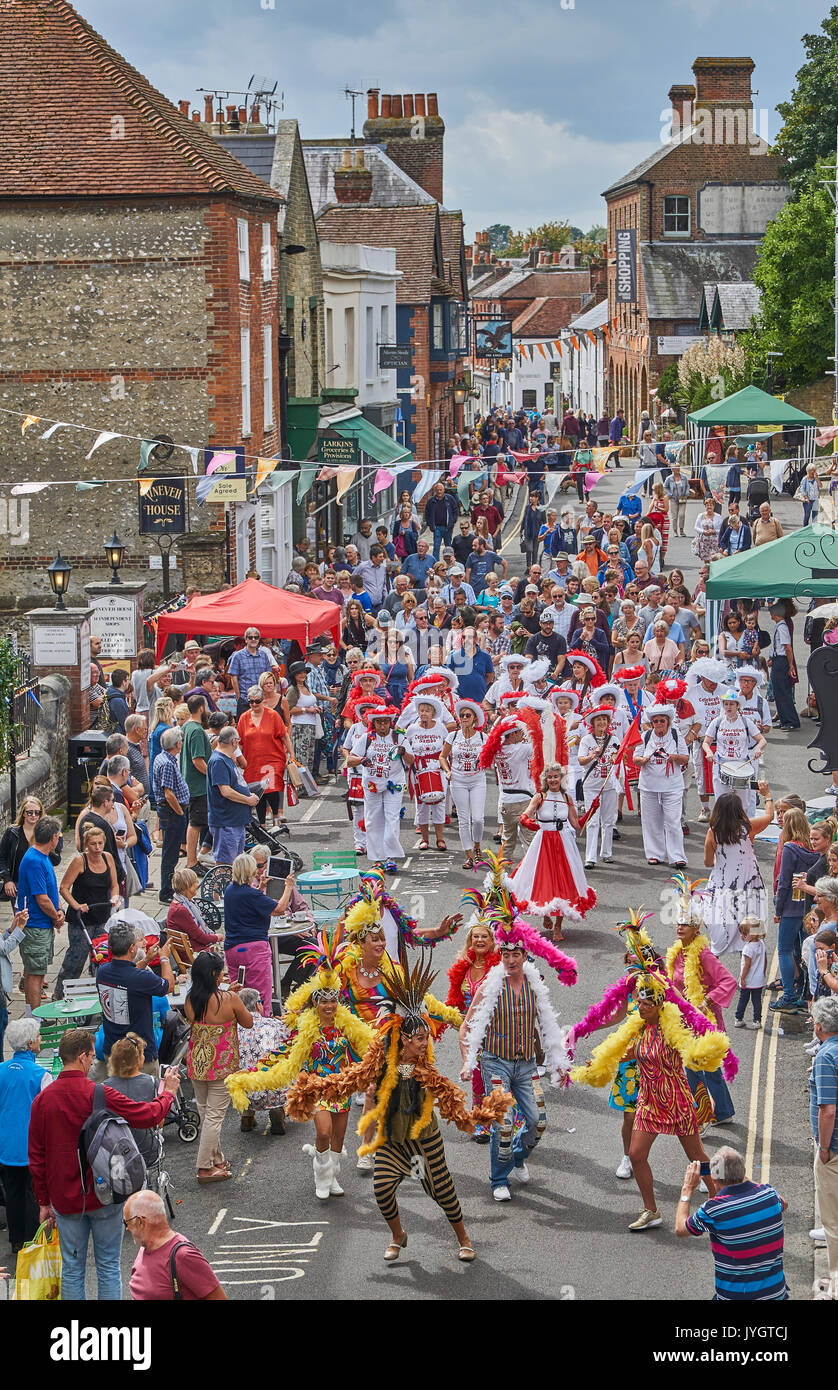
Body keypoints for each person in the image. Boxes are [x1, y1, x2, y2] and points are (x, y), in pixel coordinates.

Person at [290, 955, 504, 1261]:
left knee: (442, 1191)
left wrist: (478, 1116)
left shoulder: (426, 1070)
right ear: (403, 1039)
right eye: (419, 1038)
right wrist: (313, 1088)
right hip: (392, 1138)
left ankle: (464, 1239)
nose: (424, 1043)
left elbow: (451, 1103)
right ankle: (398, 1235)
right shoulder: (380, 1061)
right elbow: (348, 1081)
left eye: (426, 1038)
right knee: (382, 1189)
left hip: (424, 1139)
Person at [28, 1027, 179, 1301]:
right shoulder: (98, 1093)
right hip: (104, 1193)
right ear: (84, 1057)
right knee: (108, 1266)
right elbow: (147, 1115)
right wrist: (167, 1093)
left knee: (72, 1270)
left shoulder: (43, 1101)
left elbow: (37, 1157)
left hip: (64, 1197)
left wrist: (43, 1201)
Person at [572, 969, 725, 1231]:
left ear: (659, 1006)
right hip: (649, 1101)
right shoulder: (640, 1027)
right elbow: (630, 1052)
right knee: (635, 1154)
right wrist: (599, 1062)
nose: (640, 1008)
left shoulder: (675, 1029)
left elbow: (695, 1032)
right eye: (639, 1003)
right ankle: (651, 1211)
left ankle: (719, 1203)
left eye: (646, 1004)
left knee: (697, 1157)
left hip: (677, 1102)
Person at [227, 932, 374, 1199]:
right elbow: (281, 1055)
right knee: (324, 1131)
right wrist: (247, 1075)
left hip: (341, 1088)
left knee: (339, 1141)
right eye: (324, 1001)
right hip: (316, 1088)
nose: (329, 1006)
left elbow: (368, 1050)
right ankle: (321, 1176)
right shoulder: (305, 1029)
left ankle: (331, 1176)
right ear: (315, 1004)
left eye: (333, 1001)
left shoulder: (348, 1026)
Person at [462, 913, 574, 1202]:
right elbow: (467, 1025)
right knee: (504, 1123)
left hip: (525, 1066)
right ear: (501, 956)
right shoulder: (490, 986)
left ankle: (517, 1157)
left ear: (525, 955)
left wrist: (557, 1062)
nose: (511, 960)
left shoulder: (533, 985)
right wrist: (467, 1061)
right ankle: (499, 1179)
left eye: (516, 955)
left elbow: (547, 1025)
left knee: (538, 1122)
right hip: (495, 1062)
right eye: (507, 955)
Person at [666, 886, 738, 1125]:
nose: (679, 928)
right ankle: (712, 1111)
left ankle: (714, 1111)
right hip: (684, 1019)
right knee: (692, 1066)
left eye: (684, 925)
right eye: (678, 923)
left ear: (696, 929)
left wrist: (706, 1001)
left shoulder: (703, 954)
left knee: (706, 1067)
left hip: (704, 1019)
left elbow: (728, 980)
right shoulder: (677, 952)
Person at [676, 1146, 789, 1299]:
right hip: (775, 1293)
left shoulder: (714, 1210)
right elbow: (784, 1203)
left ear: (714, 1178)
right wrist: (741, 1176)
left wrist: (687, 1189)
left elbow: (681, 1229)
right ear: (743, 1171)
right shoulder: (769, 1194)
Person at [183, 951, 253, 1184]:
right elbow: (248, 1022)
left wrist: (228, 993)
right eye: (220, 971)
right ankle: (204, 1168)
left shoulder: (190, 1000)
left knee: (207, 1115)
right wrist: (234, 997)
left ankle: (217, 1160)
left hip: (197, 1064)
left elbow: (204, 1013)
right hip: (221, 1066)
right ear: (214, 975)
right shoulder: (229, 999)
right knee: (214, 1117)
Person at [512, 763, 594, 941]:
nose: (553, 780)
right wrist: (526, 821)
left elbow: (576, 824)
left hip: (564, 843)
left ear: (561, 778)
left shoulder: (567, 797)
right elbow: (525, 814)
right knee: (543, 879)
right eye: (549, 777)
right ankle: (545, 913)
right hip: (543, 842)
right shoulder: (540, 796)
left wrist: (591, 811)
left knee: (563, 883)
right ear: (545, 779)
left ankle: (558, 926)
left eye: (556, 776)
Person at [94, 918, 175, 1079]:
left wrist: (145, 961)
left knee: (117, 1100)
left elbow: (128, 977)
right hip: (140, 1055)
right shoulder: (141, 978)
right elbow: (169, 986)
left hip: (113, 1051)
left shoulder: (103, 971)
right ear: (132, 949)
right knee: (143, 1100)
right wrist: (164, 958)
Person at [447, 922, 502, 1143]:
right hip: (470, 1030)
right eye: (475, 937)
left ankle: (501, 1115)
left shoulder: (498, 967)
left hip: (495, 1030)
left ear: (491, 941)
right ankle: (481, 1119)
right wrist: (453, 1015)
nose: (479, 941)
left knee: (496, 1075)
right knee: (477, 1076)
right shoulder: (464, 965)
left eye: (484, 937)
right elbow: (455, 997)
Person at [702, 787, 772, 956]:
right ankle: (748, 977)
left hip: (723, 883)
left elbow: (708, 862)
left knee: (720, 926)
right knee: (749, 928)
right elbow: (770, 817)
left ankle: (714, 977)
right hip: (750, 882)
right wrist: (767, 795)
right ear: (739, 810)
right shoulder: (748, 828)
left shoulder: (713, 833)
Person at [0, 1016, 49, 1251]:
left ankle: (15, 1240)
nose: (40, 1039)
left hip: (6, 1144)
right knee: (33, 1193)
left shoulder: (1, 1070)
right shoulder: (40, 1075)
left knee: (13, 1192)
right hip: (32, 1145)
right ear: (30, 1043)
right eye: (38, 1036)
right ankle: (32, 1240)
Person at [55, 823, 120, 1000]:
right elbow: (64, 888)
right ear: (86, 845)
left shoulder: (108, 858)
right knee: (75, 959)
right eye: (93, 844)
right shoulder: (79, 861)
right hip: (81, 919)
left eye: (100, 843)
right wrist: (76, 905)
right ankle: (60, 996)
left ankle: (100, 997)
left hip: (102, 917)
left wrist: (115, 897)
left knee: (101, 959)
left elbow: (114, 885)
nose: (97, 848)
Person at [125, 1188, 226, 1300]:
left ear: (140, 1222)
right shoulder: (144, 1249)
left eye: (127, 1223)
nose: (127, 1229)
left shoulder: (183, 1256)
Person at [770, 807, 821, 1013]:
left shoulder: (790, 848)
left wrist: (778, 910)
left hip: (790, 907)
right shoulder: (812, 849)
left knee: (784, 950)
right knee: (801, 951)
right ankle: (802, 992)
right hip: (806, 907)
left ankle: (788, 995)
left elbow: (784, 883)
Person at [223, 852, 286, 1012]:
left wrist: (261, 887)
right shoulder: (252, 894)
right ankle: (261, 1027)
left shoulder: (230, 890)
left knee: (239, 993)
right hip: (254, 950)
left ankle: (240, 1027)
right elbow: (279, 909)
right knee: (260, 996)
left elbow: (246, 902)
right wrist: (289, 887)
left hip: (232, 949)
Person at [15, 815, 65, 1013]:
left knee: (35, 973)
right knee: (35, 975)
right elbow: (41, 898)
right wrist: (56, 916)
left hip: (41, 924)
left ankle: (32, 1016)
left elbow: (50, 891)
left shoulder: (41, 857)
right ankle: (34, 1018)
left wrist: (58, 910)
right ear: (53, 838)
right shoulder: (35, 860)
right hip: (36, 926)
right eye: (59, 836)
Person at [228, 987, 289, 1137]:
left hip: (245, 1091)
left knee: (241, 1071)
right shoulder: (274, 1025)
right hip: (272, 1091)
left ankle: (247, 1115)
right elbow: (291, 1041)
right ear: (258, 1005)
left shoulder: (232, 1029)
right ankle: (277, 1110)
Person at [634, 704, 689, 867]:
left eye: (662, 721)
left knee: (673, 821)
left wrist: (674, 757)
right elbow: (635, 758)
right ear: (651, 723)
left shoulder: (675, 735)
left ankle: (677, 856)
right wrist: (643, 760)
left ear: (668, 722)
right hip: (649, 786)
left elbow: (685, 758)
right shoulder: (645, 736)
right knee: (651, 821)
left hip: (672, 786)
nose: (659, 724)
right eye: (655, 721)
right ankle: (655, 854)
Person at [809, 995, 838, 1294]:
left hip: (836, 1149)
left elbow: (828, 1110)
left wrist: (825, 1148)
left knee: (833, 1222)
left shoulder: (826, 1057)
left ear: (818, 1027)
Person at [440, 699, 487, 869]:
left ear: (475, 718)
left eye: (468, 715)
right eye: (461, 715)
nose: (464, 718)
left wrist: (484, 761)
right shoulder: (453, 735)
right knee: (463, 820)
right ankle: (468, 855)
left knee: (478, 819)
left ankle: (477, 847)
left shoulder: (482, 737)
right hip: (458, 780)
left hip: (477, 780)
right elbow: (442, 757)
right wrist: (447, 771)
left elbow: (490, 757)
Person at [104, 1032, 160, 1166]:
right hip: (147, 1151)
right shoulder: (151, 1082)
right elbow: (159, 1121)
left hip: (116, 1153)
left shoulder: (103, 1087)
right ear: (138, 1059)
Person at [207, 725, 259, 867]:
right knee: (225, 864)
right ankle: (220, 889)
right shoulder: (218, 761)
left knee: (234, 863)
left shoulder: (226, 758)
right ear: (234, 742)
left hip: (234, 820)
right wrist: (247, 800)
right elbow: (225, 791)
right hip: (226, 821)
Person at [577, 706, 621, 868]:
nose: (602, 722)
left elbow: (618, 757)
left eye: (604, 720)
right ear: (593, 723)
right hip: (591, 786)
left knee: (608, 820)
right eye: (599, 720)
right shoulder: (586, 740)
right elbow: (581, 760)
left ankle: (607, 853)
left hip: (609, 784)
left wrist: (615, 759)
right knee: (592, 821)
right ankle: (590, 857)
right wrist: (593, 755)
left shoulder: (614, 740)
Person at [166, 867, 222, 953]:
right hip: (195, 952)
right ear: (187, 886)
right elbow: (201, 938)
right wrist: (218, 937)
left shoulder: (185, 903)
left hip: (196, 947)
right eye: (195, 882)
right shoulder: (181, 910)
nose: (197, 884)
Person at [227, 628, 279, 712]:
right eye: (250, 637)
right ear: (246, 639)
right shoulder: (238, 656)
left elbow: (268, 676)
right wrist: (239, 697)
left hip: (262, 699)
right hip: (245, 698)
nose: (253, 639)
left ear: (259, 639)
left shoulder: (264, 655)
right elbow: (234, 678)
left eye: (256, 637)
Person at [768, 601, 799, 730]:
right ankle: (784, 719)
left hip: (782, 661)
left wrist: (790, 665)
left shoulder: (782, 627)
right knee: (778, 691)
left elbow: (787, 648)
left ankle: (791, 720)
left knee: (783, 691)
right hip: (777, 659)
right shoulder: (779, 626)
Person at [734, 916, 767, 1028]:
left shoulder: (748, 948)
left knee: (743, 999)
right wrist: (763, 973)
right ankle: (757, 1021)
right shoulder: (761, 944)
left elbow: (747, 966)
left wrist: (742, 978)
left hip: (748, 980)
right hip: (759, 980)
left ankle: (739, 1019)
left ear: (753, 934)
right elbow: (765, 960)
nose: (741, 936)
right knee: (757, 1001)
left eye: (744, 934)